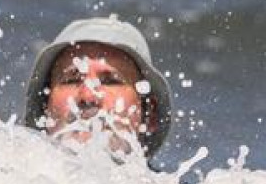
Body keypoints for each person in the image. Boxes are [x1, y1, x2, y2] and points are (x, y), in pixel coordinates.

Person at [24, 15, 173, 160]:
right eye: (71, 80)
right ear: (45, 107)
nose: (88, 97)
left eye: (110, 81)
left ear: (150, 115)